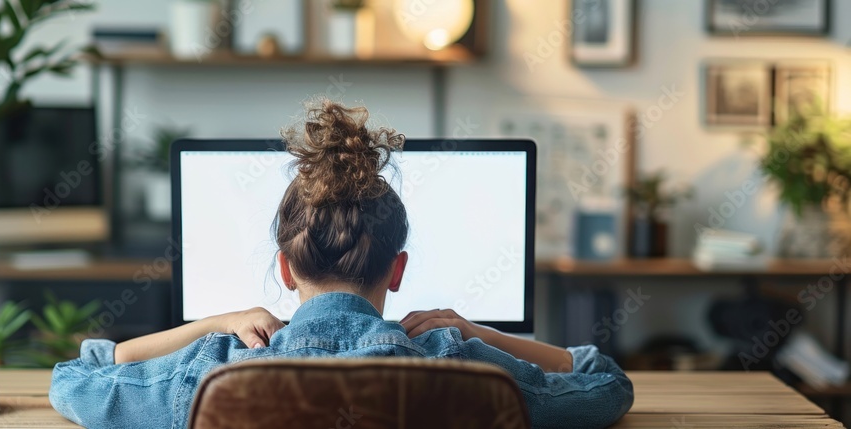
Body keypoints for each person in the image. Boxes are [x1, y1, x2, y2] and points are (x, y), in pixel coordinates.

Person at [49, 99, 634, 428]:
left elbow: (76, 375)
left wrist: (215, 323)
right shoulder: (460, 365)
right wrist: (474, 331)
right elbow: (604, 382)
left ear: (285, 269)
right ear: (397, 270)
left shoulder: (213, 373)